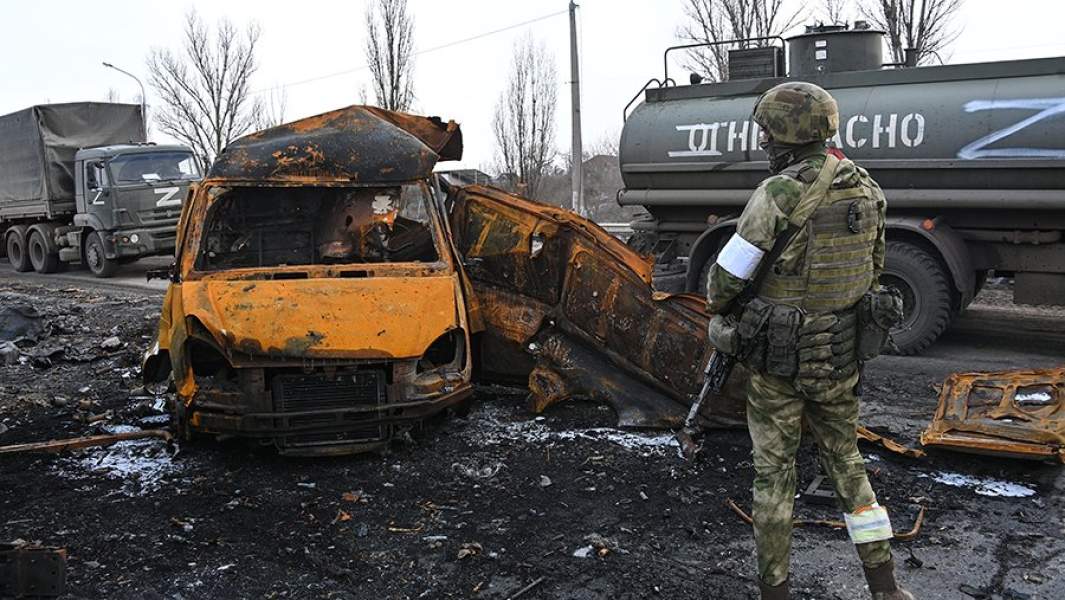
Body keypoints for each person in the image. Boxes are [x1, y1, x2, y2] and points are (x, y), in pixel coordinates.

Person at [704, 82, 913, 600]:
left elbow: (721, 286)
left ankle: (775, 592)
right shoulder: (868, 188)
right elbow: (874, 271)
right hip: (838, 358)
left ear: (784, 135)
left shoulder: (777, 193)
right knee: (848, 466)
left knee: (774, 476)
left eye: (766, 132)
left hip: (779, 364)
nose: (763, 142)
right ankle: (886, 588)